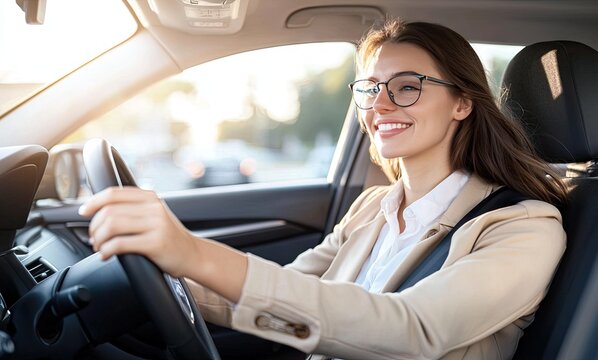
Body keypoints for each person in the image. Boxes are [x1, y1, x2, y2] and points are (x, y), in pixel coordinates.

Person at [79, 20, 567, 359]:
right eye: (371, 88)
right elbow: (291, 294)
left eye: (407, 86)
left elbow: (415, 332)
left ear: (462, 102)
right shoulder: (374, 207)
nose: (381, 105)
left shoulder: (523, 227)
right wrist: (162, 277)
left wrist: (193, 253)